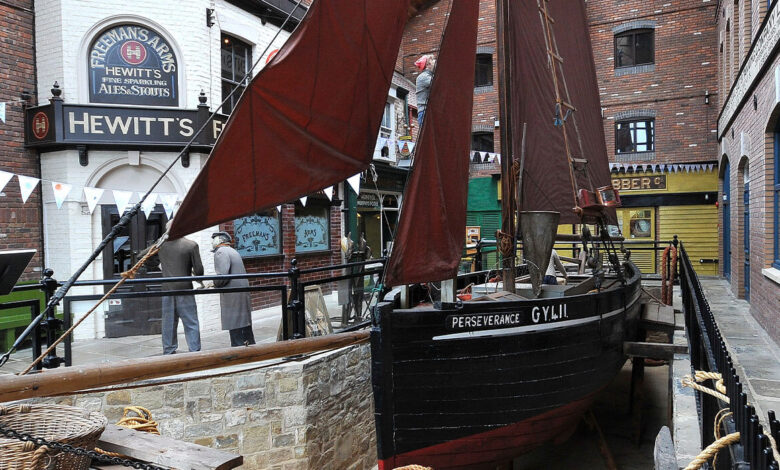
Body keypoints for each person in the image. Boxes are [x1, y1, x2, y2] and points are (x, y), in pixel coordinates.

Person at [155, 220, 204, 355]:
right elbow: (199, 271)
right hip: (185, 288)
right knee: (191, 322)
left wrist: (161, 265)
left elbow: (143, 257)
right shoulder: (191, 245)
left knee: (169, 322)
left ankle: (169, 350)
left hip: (167, 289)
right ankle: (194, 350)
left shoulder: (161, 244)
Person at [211, 231, 255, 347]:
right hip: (240, 291)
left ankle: (238, 349)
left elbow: (222, 276)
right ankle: (250, 347)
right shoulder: (232, 251)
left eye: (214, 239)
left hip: (233, 294)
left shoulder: (221, 252)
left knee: (235, 324)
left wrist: (213, 283)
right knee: (243, 323)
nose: (212, 242)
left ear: (220, 240)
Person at [415, 54, 436, 128]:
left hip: (428, 112)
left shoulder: (429, 76)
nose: (435, 62)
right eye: (432, 61)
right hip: (425, 113)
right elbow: (438, 85)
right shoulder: (424, 77)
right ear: (428, 65)